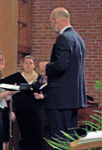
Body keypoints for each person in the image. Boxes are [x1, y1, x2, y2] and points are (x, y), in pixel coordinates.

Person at [39, 7, 86, 138]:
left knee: (60, 138)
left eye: (50, 22)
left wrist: (46, 67)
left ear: (56, 20)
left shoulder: (63, 38)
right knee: (70, 137)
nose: (51, 25)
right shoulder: (78, 39)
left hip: (61, 98)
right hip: (73, 97)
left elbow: (60, 66)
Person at [0, 55, 47, 150]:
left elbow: (49, 94)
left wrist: (42, 96)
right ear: (22, 65)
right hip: (22, 110)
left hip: (37, 111)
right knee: (25, 136)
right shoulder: (16, 77)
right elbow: (1, 86)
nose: (28, 65)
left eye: (30, 63)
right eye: (26, 63)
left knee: (38, 136)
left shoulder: (41, 78)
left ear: (34, 65)